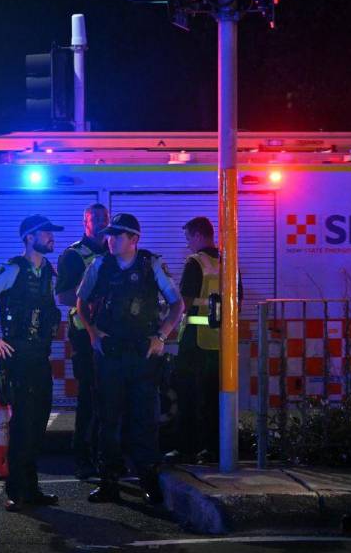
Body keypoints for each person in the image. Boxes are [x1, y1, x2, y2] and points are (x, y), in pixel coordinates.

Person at [76, 213, 184, 505]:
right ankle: (109, 482)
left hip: (142, 353)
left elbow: (177, 304)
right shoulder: (100, 265)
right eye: (109, 235)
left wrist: (161, 336)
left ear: (134, 239)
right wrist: (93, 333)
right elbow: (80, 301)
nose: (110, 240)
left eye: (117, 235)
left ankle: (148, 478)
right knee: (107, 418)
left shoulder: (151, 264)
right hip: (110, 354)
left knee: (145, 419)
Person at [0, 214, 63, 513]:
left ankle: (31, 489)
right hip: (17, 357)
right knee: (22, 425)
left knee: (37, 424)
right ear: (29, 237)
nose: (51, 237)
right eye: (46, 233)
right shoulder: (12, 270)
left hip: (40, 357)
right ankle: (17, 492)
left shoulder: (49, 271)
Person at [175, 216, 241, 464]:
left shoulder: (195, 263)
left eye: (188, 238)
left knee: (188, 396)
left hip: (195, 341)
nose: (188, 244)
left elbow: (185, 302)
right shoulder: (229, 261)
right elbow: (238, 300)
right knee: (214, 398)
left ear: (199, 235)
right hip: (221, 341)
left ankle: (186, 449)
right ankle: (213, 449)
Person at [56, 203, 109, 479]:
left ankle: (107, 458)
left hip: (113, 336)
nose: (100, 222)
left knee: (111, 399)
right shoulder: (73, 256)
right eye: (95, 218)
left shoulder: (115, 252)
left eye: (104, 217)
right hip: (85, 336)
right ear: (85, 222)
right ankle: (83, 459)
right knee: (88, 399)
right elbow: (63, 297)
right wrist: (89, 295)